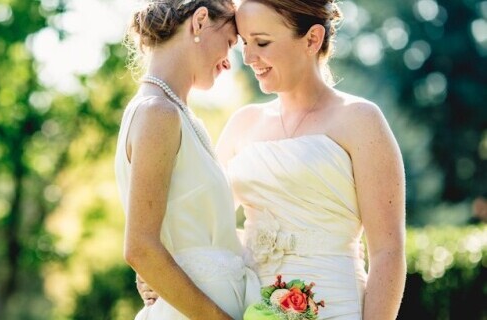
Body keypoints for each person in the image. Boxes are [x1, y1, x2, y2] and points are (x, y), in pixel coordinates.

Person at [139, 0, 407, 319]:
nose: (250, 58)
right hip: (247, 307)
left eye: (262, 42)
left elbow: (388, 253)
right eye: (245, 44)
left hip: (335, 306)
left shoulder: (360, 120)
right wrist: (166, 265)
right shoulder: (243, 123)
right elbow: (206, 224)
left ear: (311, 39)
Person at [115, 0, 260, 319]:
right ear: (200, 21)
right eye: (230, 43)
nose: (228, 63)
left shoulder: (177, 115)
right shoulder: (158, 113)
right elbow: (140, 248)